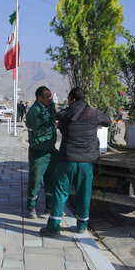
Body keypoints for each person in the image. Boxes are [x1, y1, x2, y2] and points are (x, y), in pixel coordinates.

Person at [40, 88, 111, 236]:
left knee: (60, 192)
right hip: (86, 161)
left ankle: (54, 226)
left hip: (67, 159)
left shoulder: (65, 114)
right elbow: (108, 122)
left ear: (72, 99)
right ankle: (81, 225)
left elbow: (56, 117)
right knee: (84, 193)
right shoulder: (94, 112)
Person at [25, 86, 58, 219]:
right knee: (35, 180)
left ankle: (49, 206)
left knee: (51, 180)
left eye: (50, 96)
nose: (50, 99)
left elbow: (54, 119)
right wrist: (55, 126)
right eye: (48, 96)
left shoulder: (50, 107)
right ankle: (31, 207)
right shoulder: (34, 111)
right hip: (38, 152)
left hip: (51, 150)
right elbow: (39, 131)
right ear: (39, 98)